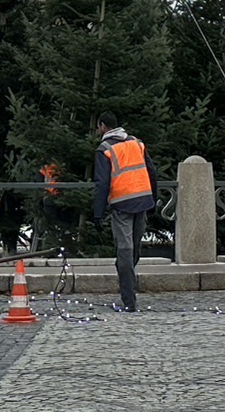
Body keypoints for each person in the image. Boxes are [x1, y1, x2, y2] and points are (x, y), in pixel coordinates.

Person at [92, 112, 158, 312]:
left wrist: (98, 212)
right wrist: (153, 200)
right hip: (143, 200)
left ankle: (129, 300)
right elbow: (152, 171)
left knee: (125, 250)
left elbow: (102, 183)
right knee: (134, 248)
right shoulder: (137, 143)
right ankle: (126, 279)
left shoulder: (104, 149)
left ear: (103, 126)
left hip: (122, 204)